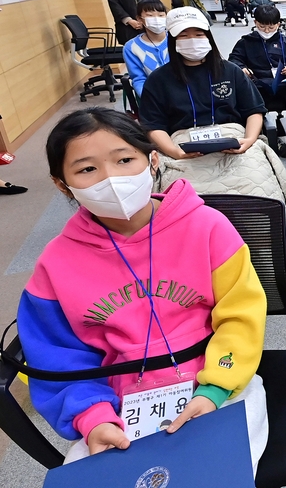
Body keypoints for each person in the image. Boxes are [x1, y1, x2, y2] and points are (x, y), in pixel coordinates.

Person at [19, 107, 268, 472]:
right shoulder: (54, 265)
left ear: (152, 161)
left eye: (124, 160)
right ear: (61, 183)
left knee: (217, 472)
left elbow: (240, 317)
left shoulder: (208, 228)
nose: (111, 178)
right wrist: (93, 418)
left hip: (216, 384)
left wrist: (216, 388)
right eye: (87, 169)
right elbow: (57, 359)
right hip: (118, 403)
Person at [139, 7, 266, 160]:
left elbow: (254, 110)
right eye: (184, 36)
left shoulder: (231, 71)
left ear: (208, 38)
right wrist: (175, 153)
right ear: (173, 41)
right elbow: (153, 126)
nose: (192, 40)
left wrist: (249, 140)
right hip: (181, 144)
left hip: (232, 138)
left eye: (199, 34)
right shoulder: (158, 80)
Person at [229, 4, 286, 112]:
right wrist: (242, 67)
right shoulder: (246, 42)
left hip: (283, 84)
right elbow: (233, 59)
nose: (267, 31)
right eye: (262, 27)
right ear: (255, 23)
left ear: (278, 25)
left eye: (271, 27)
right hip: (257, 84)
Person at [123, 0, 170, 98]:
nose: (156, 19)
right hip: (155, 96)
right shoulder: (131, 47)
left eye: (161, 15)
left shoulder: (177, 38)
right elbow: (139, 79)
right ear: (139, 19)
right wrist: (149, 99)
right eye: (150, 15)